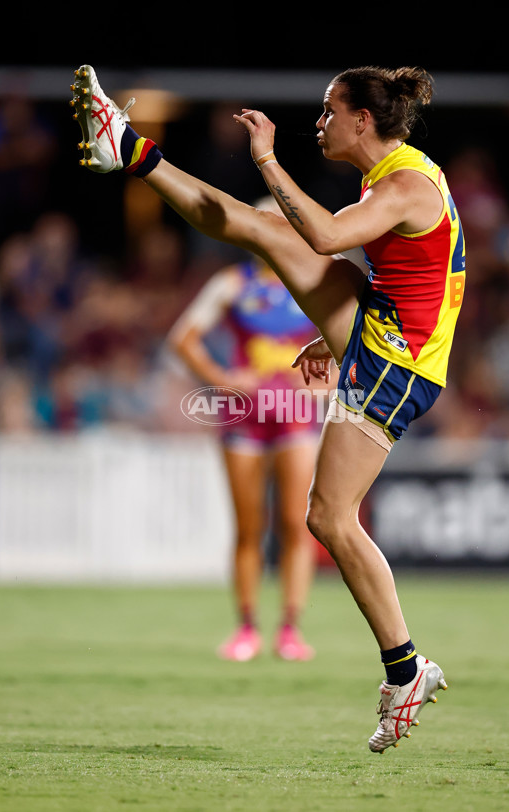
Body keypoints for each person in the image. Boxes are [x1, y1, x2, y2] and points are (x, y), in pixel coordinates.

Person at [70, 63, 465, 753]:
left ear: (361, 120)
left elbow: (326, 238)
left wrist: (266, 158)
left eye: (328, 110)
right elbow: (428, 273)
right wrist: (335, 330)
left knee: (326, 517)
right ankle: (127, 147)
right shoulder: (400, 173)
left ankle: (407, 669)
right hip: (382, 333)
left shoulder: (403, 182)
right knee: (254, 228)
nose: (320, 121)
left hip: (396, 362)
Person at [168, 207, 324, 661]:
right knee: (249, 527)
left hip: (295, 415)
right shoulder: (233, 284)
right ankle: (248, 627)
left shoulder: (312, 279)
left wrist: (324, 380)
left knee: (298, 524)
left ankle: (290, 628)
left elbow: (355, 337)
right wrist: (221, 376)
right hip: (246, 417)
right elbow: (183, 339)